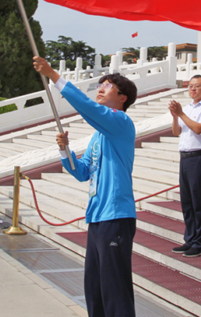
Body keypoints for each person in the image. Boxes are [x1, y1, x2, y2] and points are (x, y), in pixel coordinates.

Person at [33, 56, 138, 317]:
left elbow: (90, 109)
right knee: (95, 285)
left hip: (116, 215)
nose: (101, 88)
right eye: (100, 84)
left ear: (122, 97)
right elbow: (82, 172)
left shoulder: (121, 123)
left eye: (108, 85)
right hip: (97, 216)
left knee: (115, 288)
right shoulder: (98, 136)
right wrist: (64, 150)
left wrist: (55, 77)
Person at [168, 75, 201, 258]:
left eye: (197, 86)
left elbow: (199, 129)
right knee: (187, 201)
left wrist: (181, 114)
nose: (193, 89)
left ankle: (199, 241)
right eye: (190, 86)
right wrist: (175, 117)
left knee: (198, 201)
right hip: (185, 157)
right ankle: (190, 238)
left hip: (199, 157)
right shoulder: (187, 108)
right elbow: (176, 132)